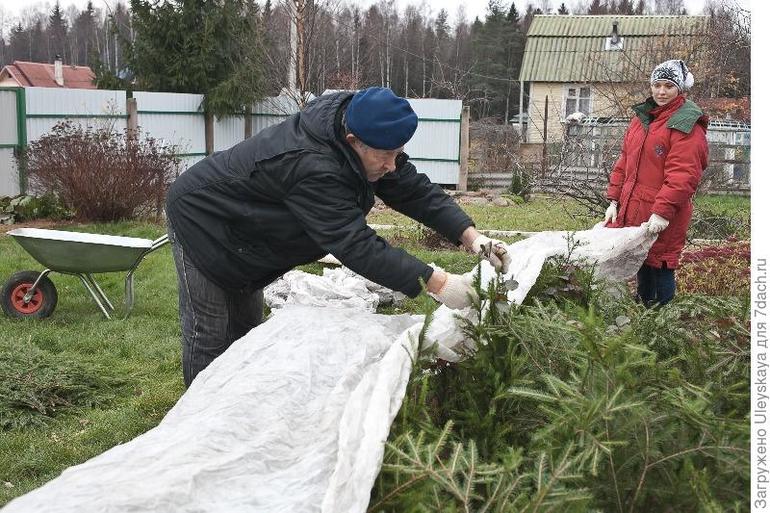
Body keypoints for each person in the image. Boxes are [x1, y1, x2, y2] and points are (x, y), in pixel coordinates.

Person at [165, 87, 511, 386]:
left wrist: (471, 237)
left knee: (246, 328)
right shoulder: (312, 165)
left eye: (398, 153)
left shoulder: (363, 134)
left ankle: (234, 407)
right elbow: (356, 245)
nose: (392, 165)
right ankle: (196, 423)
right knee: (209, 332)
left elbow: (411, 189)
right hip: (203, 220)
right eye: (386, 156)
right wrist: (440, 284)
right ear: (352, 142)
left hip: (248, 231)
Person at [603, 59, 709, 306]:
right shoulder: (642, 119)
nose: (661, 92)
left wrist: (662, 212)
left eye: (669, 86)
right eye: (657, 85)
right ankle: (643, 317)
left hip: (663, 214)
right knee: (643, 264)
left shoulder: (686, 124)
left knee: (661, 265)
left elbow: (683, 176)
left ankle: (664, 326)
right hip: (634, 207)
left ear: (680, 89)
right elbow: (624, 161)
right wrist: (614, 200)